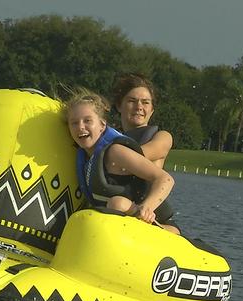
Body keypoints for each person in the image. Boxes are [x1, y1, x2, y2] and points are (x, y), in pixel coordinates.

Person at [64, 87, 178, 233]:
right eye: (74, 123)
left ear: (102, 125)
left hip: (162, 226)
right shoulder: (85, 158)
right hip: (122, 226)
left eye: (87, 121)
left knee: (118, 203)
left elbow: (166, 179)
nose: (80, 127)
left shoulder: (115, 152)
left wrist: (147, 207)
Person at [112, 73, 172, 168]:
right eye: (132, 101)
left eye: (145, 102)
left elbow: (140, 155)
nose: (139, 107)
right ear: (119, 106)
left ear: (152, 110)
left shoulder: (163, 137)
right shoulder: (110, 138)